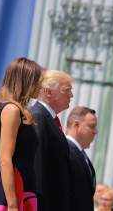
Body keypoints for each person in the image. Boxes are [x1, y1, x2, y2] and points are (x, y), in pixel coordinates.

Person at [0, 57, 43, 211]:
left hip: (22, 190)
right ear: (25, 81)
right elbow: (5, 159)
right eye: (37, 80)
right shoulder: (11, 110)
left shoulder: (15, 110)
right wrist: (12, 204)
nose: (40, 85)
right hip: (13, 193)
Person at [30, 69, 73, 211]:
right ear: (48, 92)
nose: (71, 95)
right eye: (67, 90)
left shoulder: (49, 119)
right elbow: (37, 165)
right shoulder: (39, 117)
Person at [65, 106, 98, 211]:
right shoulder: (65, 150)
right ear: (76, 125)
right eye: (92, 126)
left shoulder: (81, 156)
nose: (95, 131)